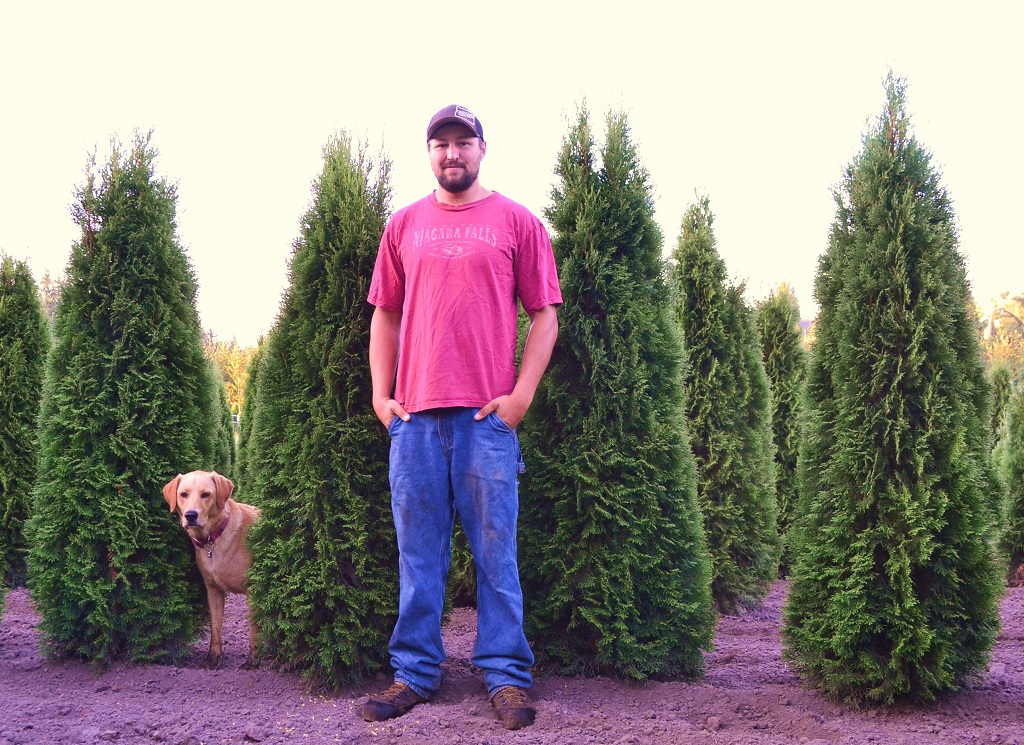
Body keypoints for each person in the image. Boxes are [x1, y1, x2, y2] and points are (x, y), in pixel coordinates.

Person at [361, 104, 562, 731]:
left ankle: (505, 676)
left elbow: (546, 312)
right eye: (441, 144)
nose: (452, 154)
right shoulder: (404, 226)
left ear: (482, 149)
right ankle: (415, 673)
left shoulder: (518, 222)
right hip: (415, 422)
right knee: (419, 558)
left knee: (496, 558)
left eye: (463, 142)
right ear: (430, 153)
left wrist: (522, 396)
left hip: (485, 424)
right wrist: (380, 394)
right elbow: (385, 314)